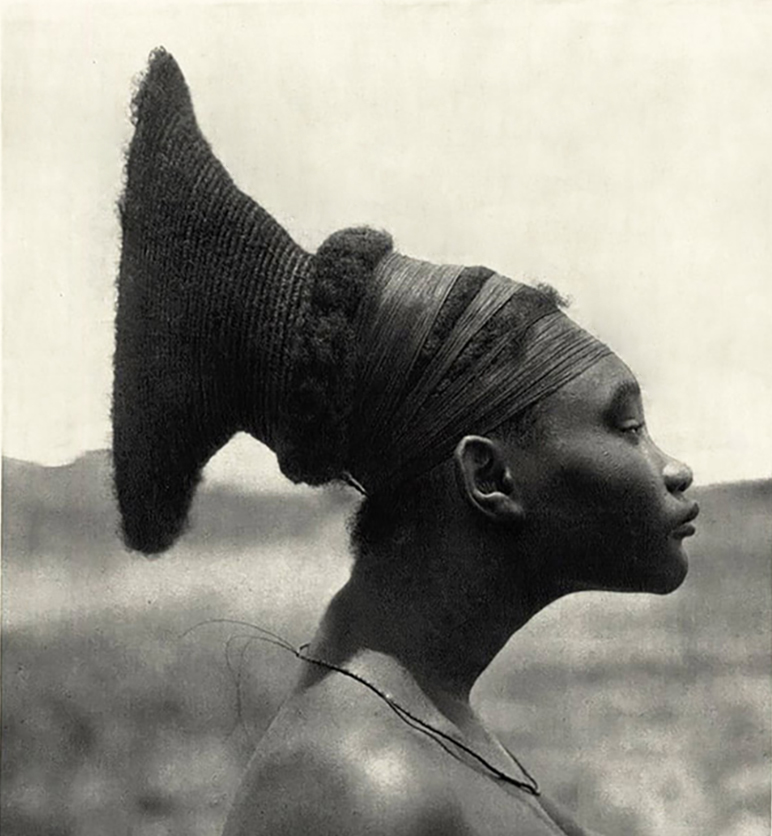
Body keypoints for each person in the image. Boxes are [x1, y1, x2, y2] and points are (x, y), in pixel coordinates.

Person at [113, 50, 699, 836]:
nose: (673, 468)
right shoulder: (351, 790)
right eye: (625, 427)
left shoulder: (430, 724)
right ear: (489, 476)